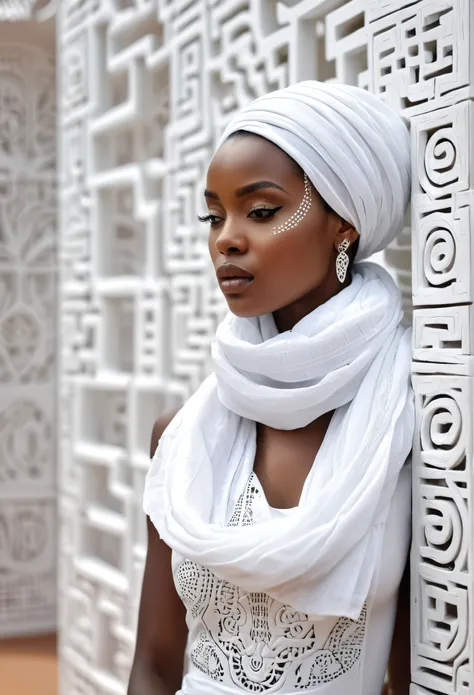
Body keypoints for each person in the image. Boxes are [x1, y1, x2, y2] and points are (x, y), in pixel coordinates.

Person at [128, 81, 414, 695]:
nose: (226, 238)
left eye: (260, 211)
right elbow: (153, 664)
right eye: (214, 215)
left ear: (343, 224)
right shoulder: (180, 437)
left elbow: (417, 674)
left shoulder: (408, 426)